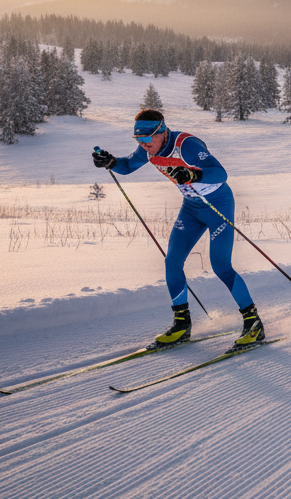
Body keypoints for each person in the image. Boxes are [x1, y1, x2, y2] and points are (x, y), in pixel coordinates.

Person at [91, 109, 264, 350]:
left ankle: (253, 324)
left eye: (148, 138)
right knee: (172, 261)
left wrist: (193, 173)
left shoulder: (187, 145)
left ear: (162, 131)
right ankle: (182, 325)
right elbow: (128, 165)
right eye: (138, 140)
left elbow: (220, 173)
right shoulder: (148, 150)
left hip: (217, 205)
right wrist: (110, 162)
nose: (144, 144)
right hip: (191, 208)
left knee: (220, 265)